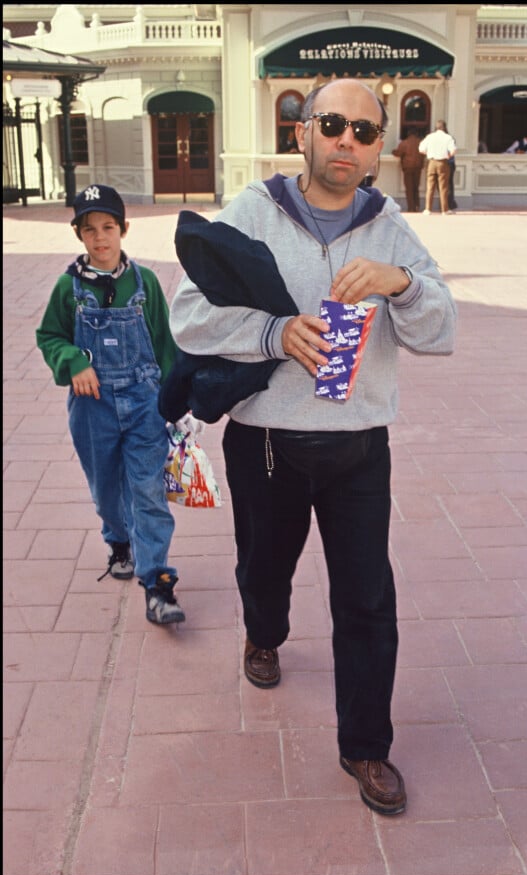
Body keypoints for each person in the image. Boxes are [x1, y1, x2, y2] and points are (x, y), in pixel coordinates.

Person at [169, 78, 457, 816]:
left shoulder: (389, 224)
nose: (347, 142)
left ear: (380, 147)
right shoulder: (255, 212)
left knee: (366, 599)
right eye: (333, 124)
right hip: (267, 443)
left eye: (365, 132)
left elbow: (440, 334)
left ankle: (366, 744)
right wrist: (273, 333)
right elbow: (188, 316)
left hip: (358, 446)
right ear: (303, 131)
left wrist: (403, 285)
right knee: (265, 568)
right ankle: (263, 635)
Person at [36, 184, 186, 626]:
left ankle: (158, 583)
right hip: (92, 405)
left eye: (108, 227)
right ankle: (118, 538)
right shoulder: (69, 288)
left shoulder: (146, 283)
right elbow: (50, 336)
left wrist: (179, 403)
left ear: (123, 229)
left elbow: (165, 343)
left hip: (144, 402)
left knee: (147, 490)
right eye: (90, 229)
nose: (100, 238)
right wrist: (72, 362)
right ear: (79, 235)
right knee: (106, 491)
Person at [418, 120, 456, 214]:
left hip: (431, 161)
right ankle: (444, 209)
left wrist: (428, 153)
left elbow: (421, 149)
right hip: (443, 162)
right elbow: (453, 150)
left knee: (430, 186)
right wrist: (448, 156)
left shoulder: (430, 137)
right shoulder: (448, 137)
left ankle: (428, 209)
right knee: (443, 187)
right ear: (445, 127)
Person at [391, 126, 425, 212]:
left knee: (409, 188)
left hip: (408, 167)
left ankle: (411, 208)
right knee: (416, 187)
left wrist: (393, 151)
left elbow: (398, 153)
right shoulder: (420, 142)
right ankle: (417, 206)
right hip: (418, 167)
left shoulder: (404, 143)